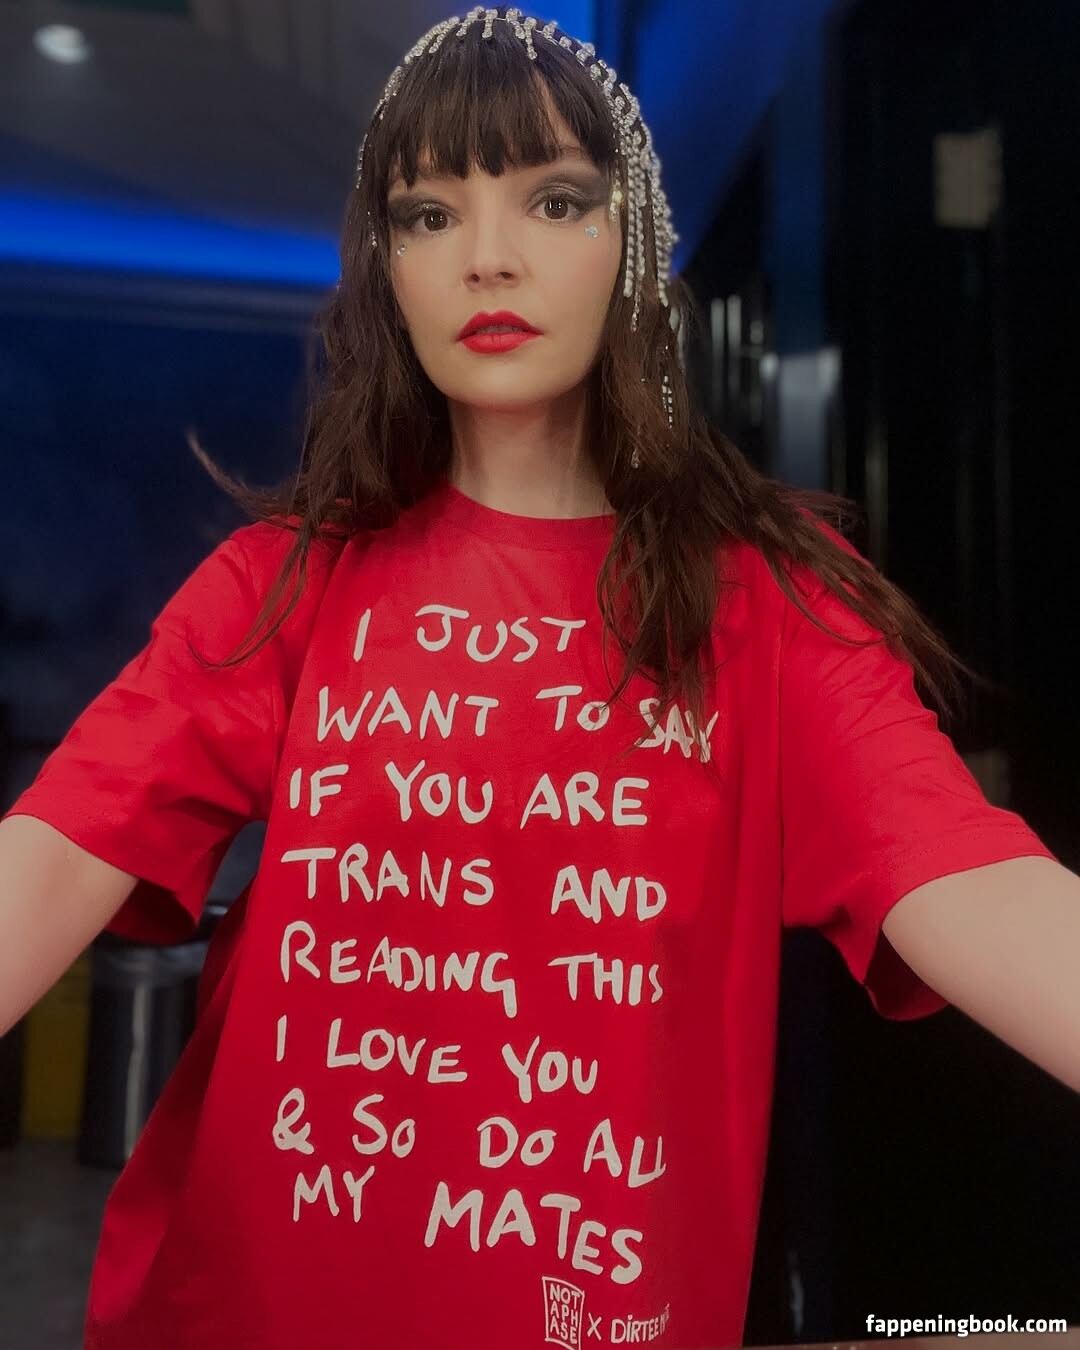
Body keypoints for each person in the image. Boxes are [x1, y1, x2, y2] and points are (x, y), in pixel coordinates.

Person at [1, 7, 1076, 1349]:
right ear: (387, 267)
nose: (487, 257)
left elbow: (966, 876)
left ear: (633, 245)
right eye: (428, 214)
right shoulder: (286, 584)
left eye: (555, 200)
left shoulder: (769, 606)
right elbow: (56, 853)